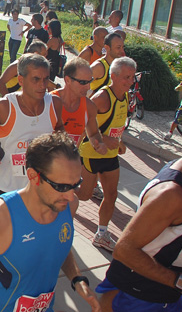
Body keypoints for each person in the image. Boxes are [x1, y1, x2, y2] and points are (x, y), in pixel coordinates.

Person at [0, 131, 100, 312]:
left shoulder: (67, 205)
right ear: (33, 176)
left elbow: (57, 243)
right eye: (61, 187)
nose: (70, 196)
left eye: (75, 184)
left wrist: (77, 280)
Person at [96, 116, 182, 311]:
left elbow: (165, 233)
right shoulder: (172, 195)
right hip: (135, 298)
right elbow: (124, 249)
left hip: (159, 295)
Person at [0, 53, 64, 198]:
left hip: (40, 184)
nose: (42, 85)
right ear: (21, 80)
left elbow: (59, 129)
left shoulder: (54, 103)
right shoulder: (4, 106)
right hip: (6, 185)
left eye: (46, 79)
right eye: (36, 79)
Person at [78, 57, 136, 251]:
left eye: (132, 77)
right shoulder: (102, 97)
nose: (129, 81)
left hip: (110, 155)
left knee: (111, 194)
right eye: (126, 77)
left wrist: (119, 142)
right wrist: (102, 140)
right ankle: (60, 195)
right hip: (91, 153)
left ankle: (101, 234)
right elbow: (84, 121)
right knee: (85, 196)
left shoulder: (125, 96)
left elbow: (116, 124)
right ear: (113, 76)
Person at [51, 57, 107, 152]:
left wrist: (99, 144)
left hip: (70, 164)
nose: (88, 87)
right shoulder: (49, 101)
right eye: (83, 82)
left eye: (90, 81)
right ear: (67, 80)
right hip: (45, 163)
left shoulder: (89, 107)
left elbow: (93, 134)